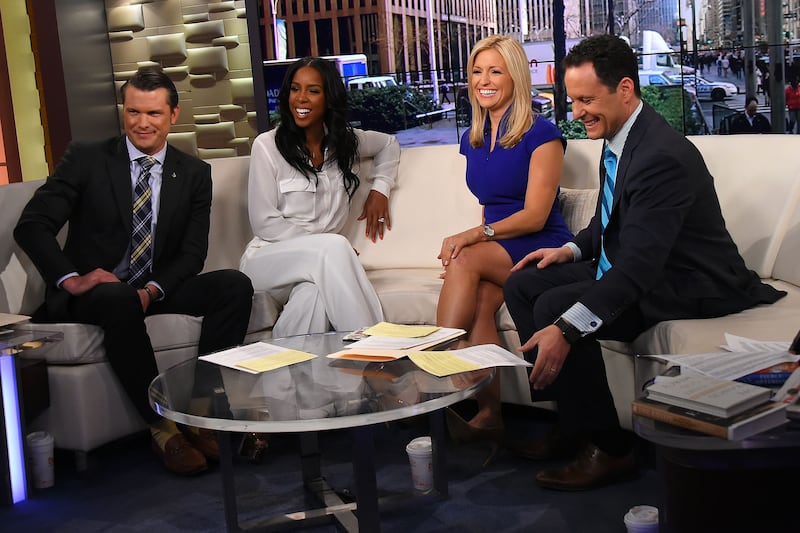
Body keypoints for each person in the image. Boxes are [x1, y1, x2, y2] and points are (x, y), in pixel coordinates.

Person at [503, 35, 786, 491]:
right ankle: (572, 423)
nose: (577, 112)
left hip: (687, 282)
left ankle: (610, 449)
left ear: (625, 89)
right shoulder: (619, 134)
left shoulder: (661, 156)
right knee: (523, 284)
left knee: (557, 308)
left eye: (586, 100)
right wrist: (569, 250)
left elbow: (638, 269)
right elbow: (608, 220)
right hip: (641, 267)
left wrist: (566, 328)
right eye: (573, 100)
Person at [14, 66, 254, 475]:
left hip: (150, 289)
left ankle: (202, 411)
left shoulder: (194, 173)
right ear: (123, 111)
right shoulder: (87, 159)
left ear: (173, 115)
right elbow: (32, 225)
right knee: (117, 297)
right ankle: (162, 427)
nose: (142, 123)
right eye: (133, 112)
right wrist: (73, 279)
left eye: (154, 113)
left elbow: (192, 254)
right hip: (97, 296)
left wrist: (152, 291)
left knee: (234, 285)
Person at [436, 35, 571, 445]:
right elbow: (489, 205)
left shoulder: (542, 135)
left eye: (495, 71)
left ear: (515, 77)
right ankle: (490, 413)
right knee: (477, 301)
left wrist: (472, 241)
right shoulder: (473, 138)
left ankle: (436, 359)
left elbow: (535, 215)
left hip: (540, 242)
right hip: (498, 246)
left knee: (463, 260)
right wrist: (474, 252)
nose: (484, 80)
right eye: (477, 71)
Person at [240, 57, 399, 338]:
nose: (301, 98)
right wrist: (322, 245)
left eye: (313, 91)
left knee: (313, 296)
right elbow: (264, 222)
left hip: (318, 268)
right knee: (334, 247)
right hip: (267, 263)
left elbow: (389, 144)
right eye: (295, 89)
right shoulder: (267, 146)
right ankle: (377, 345)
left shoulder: (345, 143)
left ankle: (287, 361)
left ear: (329, 98)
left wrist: (380, 189)